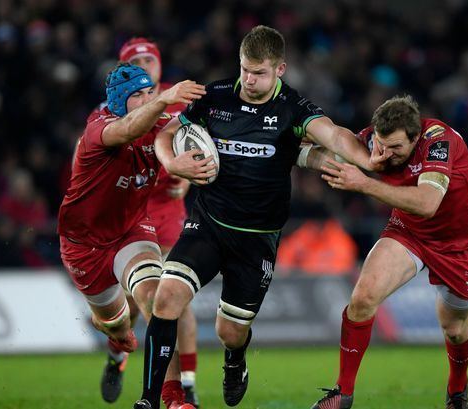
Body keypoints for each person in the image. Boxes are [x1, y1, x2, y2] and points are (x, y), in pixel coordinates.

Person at [133, 25, 379, 409]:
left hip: (257, 236)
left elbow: (332, 135)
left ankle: (235, 359)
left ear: (280, 69)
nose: (249, 79)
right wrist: (173, 164)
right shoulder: (214, 96)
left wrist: (367, 160)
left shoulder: (293, 109)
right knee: (166, 300)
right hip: (208, 223)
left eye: (259, 72)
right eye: (245, 69)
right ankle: (157, 398)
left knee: (229, 331)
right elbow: (165, 135)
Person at [309, 95, 468, 409]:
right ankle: (342, 393)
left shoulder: (438, 142)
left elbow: (428, 204)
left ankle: (457, 388)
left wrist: (364, 183)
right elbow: (334, 138)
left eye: (396, 149)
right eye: (381, 144)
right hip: (409, 232)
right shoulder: (377, 140)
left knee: (454, 329)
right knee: (362, 298)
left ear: (415, 138)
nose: (386, 155)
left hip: (457, 243)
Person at [58, 62, 210, 409]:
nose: (146, 100)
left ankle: (172, 398)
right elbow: (128, 129)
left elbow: (185, 132)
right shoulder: (100, 128)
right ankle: (111, 333)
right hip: (84, 245)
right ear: (118, 100)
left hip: (131, 231)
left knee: (160, 301)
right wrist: (162, 101)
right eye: (136, 95)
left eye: (149, 92)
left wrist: (183, 168)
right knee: (119, 329)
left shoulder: (158, 127)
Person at [115, 37, 201, 409]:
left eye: (151, 59)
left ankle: (187, 384)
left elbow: (201, 146)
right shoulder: (118, 109)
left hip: (167, 210)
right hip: (134, 207)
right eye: (137, 62)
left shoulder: (178, 101)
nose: (147, 66)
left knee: (176, 296)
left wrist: (189, 176)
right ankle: (118, 353)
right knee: (139, 301)